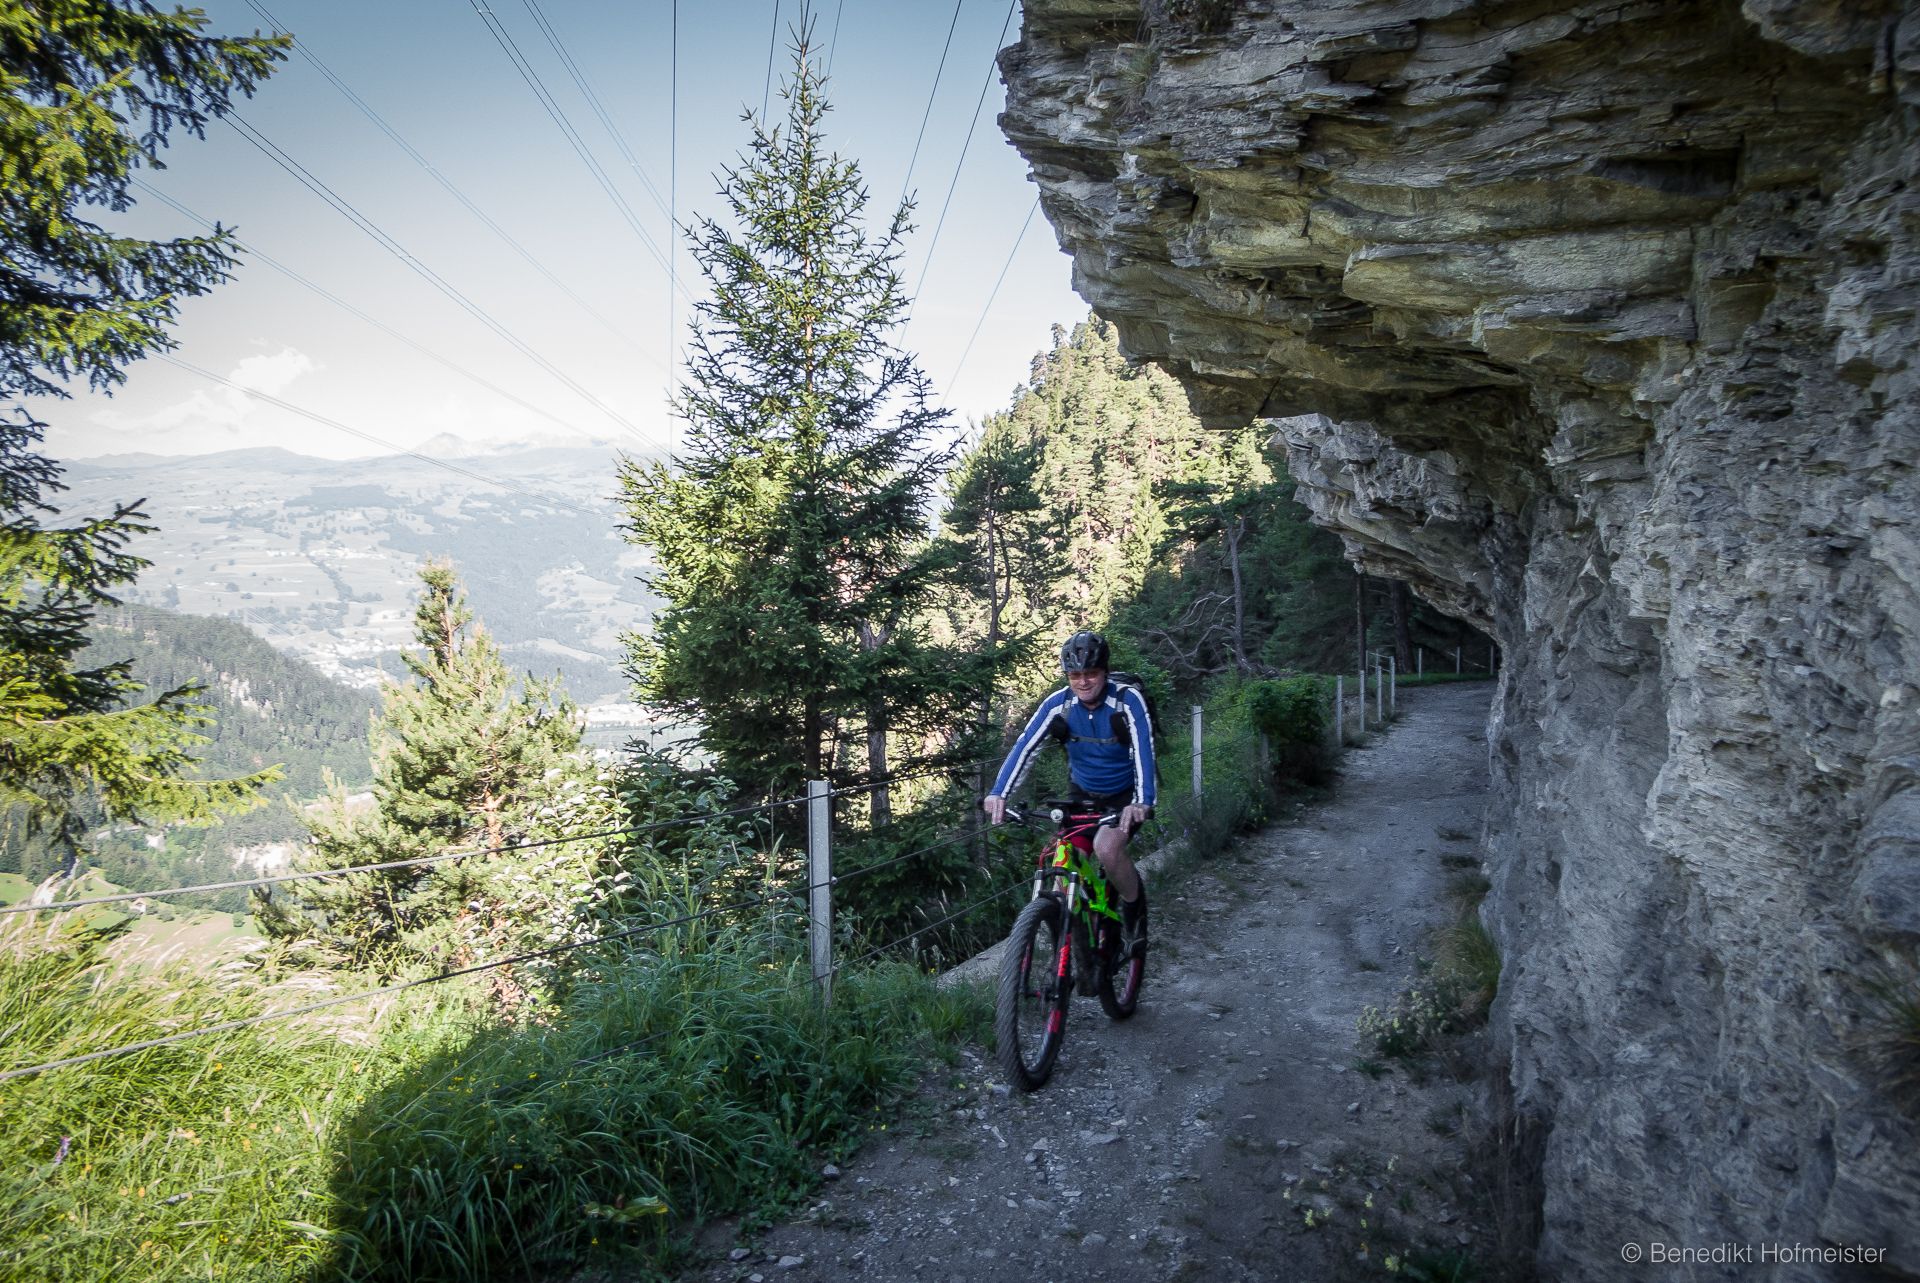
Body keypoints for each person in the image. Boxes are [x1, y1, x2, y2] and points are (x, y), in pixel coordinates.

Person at [983, 630, 1152, 955]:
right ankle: (1077, 954)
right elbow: (1026, 746)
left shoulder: (1126, 700)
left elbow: (1145, 750)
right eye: (1075, 675)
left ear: (1104, 671)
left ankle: (1134, 914)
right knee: (1063, 873)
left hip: (1124, 795)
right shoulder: (1058, 704)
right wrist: (1000, 793)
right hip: (1082, 794)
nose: (1083, 681)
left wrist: (1142, 802)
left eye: (1091, 673)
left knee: (1106, 848)